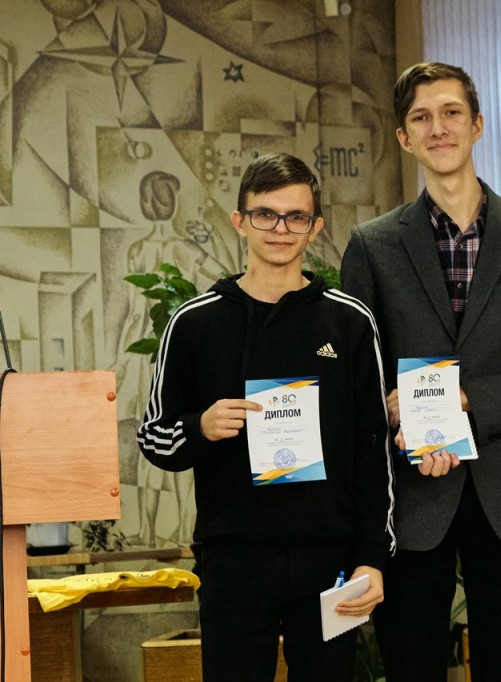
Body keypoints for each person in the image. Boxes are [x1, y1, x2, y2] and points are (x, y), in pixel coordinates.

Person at [340, 62, 501, 681]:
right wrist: (387, 405)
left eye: (451, 113)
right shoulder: (372, 245)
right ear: (404, 138)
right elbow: (355, 379)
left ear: (477, 124)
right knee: (411, 668)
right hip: (411, 492)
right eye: (421, 118)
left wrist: (463, 398)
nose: (438, 128)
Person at [137, 152, 393, 681]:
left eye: (296, 217)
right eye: (266, 214)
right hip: (234, 561)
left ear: (315, 227)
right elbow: (154, 437)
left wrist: (372, 557)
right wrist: (200, 427)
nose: (281, 229)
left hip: (330, 563)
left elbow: (374, 450)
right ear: (240, 221)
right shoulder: (194, 323)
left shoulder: (349, 321)